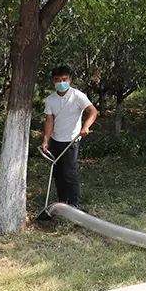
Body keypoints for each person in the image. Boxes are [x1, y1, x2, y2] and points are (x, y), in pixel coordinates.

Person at [42, 65, 99, 208]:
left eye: (64, 79)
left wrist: (86, 127)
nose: (61, 83)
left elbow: (93, 111)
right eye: (58, 80)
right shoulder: (50, 100)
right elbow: (49, 121)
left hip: (71, 141)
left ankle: (74, 204)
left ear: (70, 80)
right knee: (57, 173)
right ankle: (62, 202)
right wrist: (45, 140)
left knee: (69, 173)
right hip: (56, 140)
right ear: (52, 81)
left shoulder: (78, 96)